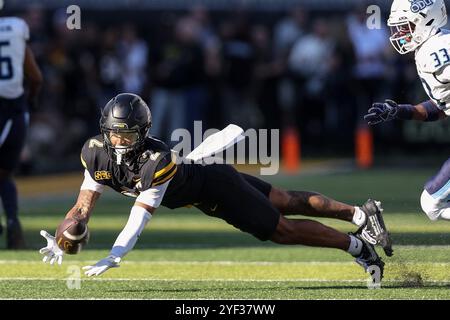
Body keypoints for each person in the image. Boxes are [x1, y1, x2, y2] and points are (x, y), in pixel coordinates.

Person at [39, 93, 391, 283]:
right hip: (205, 171)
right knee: (283, 200)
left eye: (126, 134)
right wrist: (63, 237)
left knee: (281, 229)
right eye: (113, 132)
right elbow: (82, 208)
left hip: (212, 189)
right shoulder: (94, 152)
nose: (118, 141)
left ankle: (357, 247)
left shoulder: (155, 161)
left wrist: (116, 254)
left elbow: (140, 216)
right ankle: (361, 213)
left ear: (142, 133)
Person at [364, 0, 450, 221]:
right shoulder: (434, 46)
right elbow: (440, 107)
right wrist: (399, 110)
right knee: (431, 204)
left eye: (406, 26)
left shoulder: (436, 50)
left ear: (427, 20)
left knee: (432, 203)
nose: (400, 33)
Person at [0, 1, 43, 249]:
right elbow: (36, 77)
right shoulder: (16, 27)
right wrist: (32, 99)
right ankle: (14, 221)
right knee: (5, 174)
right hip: (14, 109)